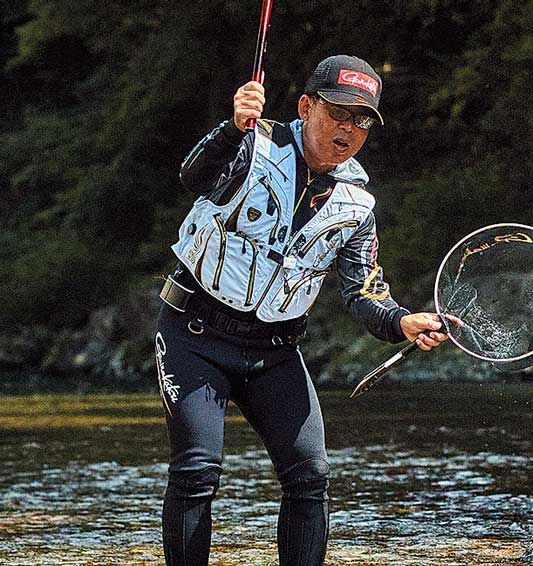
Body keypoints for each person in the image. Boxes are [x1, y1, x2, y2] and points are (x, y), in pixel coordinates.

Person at [154, 54, 451, 566]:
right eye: (339, 112)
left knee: (310, 476)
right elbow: (194, 177)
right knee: (198, 471)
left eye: (363, 120)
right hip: (194, 334)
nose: (349, 128)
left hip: (272, 349)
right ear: (306, 106)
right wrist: (231, 128)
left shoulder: (357, 203)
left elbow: (364, 293)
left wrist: (402, 320)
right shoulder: (250, 144)